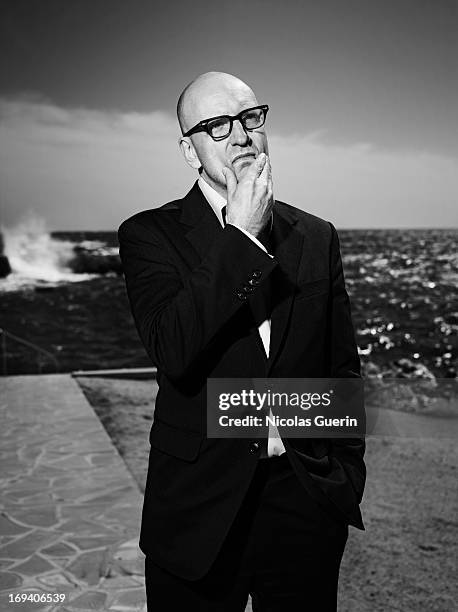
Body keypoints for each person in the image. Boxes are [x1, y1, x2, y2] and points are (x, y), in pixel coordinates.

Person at [118, 71, 366, 611]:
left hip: (302, 499)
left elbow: (340, 369)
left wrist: (342, 475)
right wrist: (242, 238)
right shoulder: (148, 236)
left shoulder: (316, 236)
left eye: (250, 118)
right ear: (190, 151)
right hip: (198, 507)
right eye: (217, 125)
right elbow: (173, 350)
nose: (240, 136)